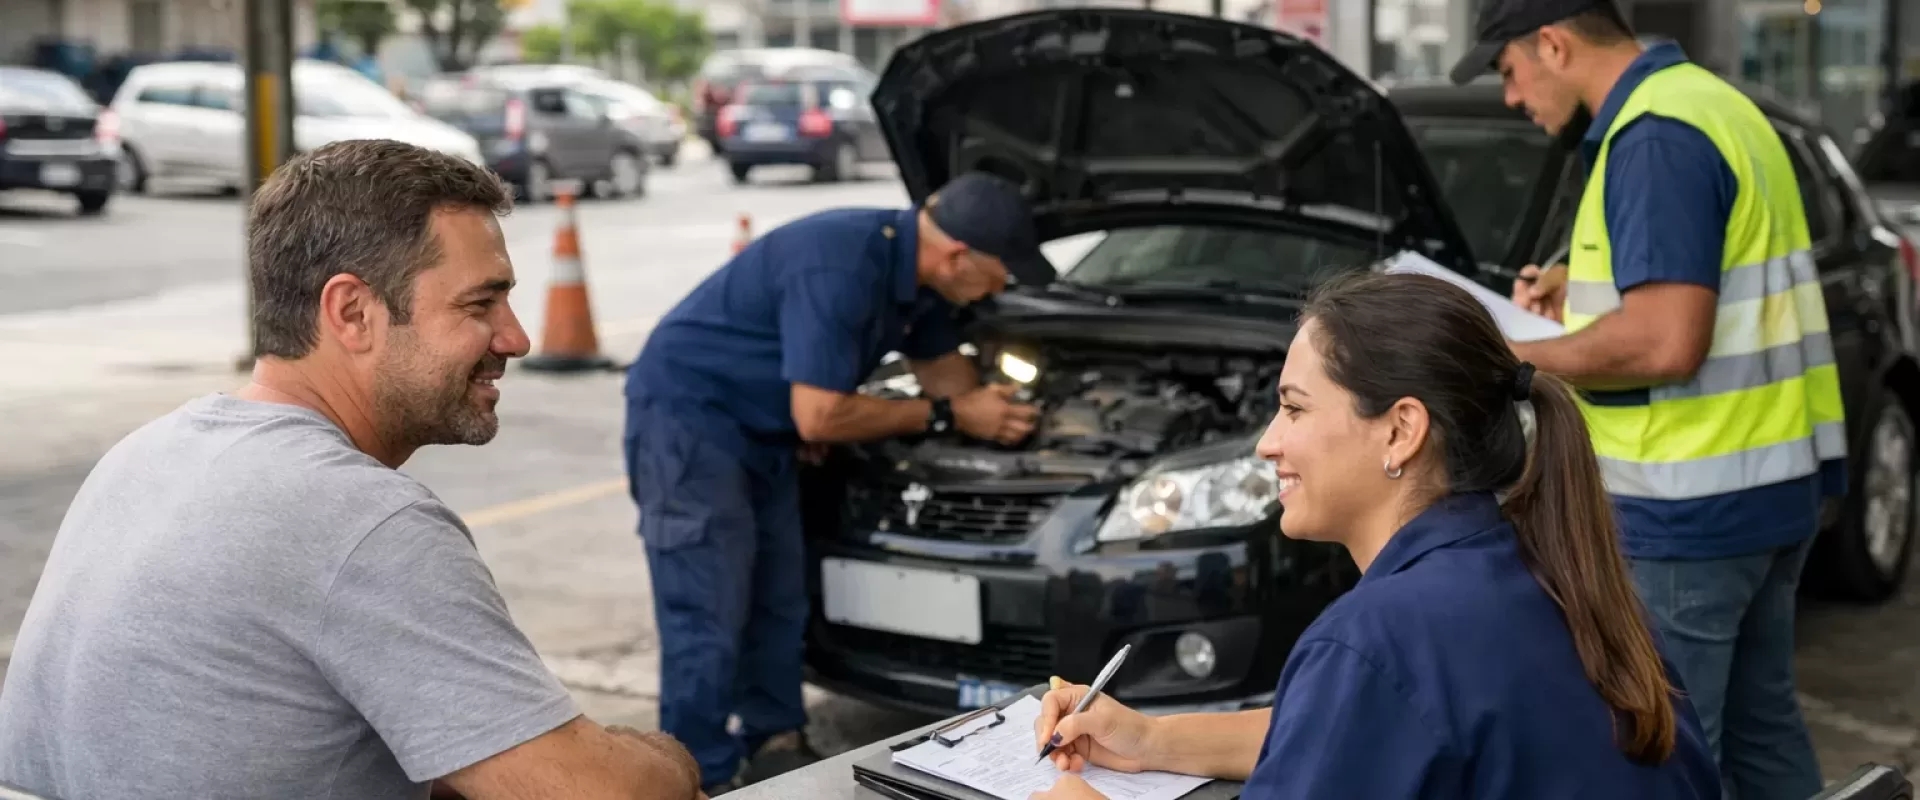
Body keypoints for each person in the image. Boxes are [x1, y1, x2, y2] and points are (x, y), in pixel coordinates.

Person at [0, 139, 706, 800]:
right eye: (480, 303)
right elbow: (597, 792)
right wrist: (668, 760)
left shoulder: (147, 454)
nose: (516, 338)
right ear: (353, 312)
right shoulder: (360, 520)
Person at [1025, 271, 1721, 800]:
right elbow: (1357, 729)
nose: (1267, 442)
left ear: (1401, 430)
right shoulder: (1551, 573)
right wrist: (1150, 738)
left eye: (1294, 408)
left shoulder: (1377, 638)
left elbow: (1371, 707)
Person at [1453, 1, 1845, 796]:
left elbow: (1665, 342)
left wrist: (1507, 354)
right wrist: (1578, 296)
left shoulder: (1653, 137)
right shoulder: (1710, 102)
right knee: (1763, 737)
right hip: (1770, 485)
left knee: (1664, 757)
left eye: (1508, 71)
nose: (1511, 96)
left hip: (1688, 513)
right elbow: (1706, 279)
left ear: (1553, 44)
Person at [623, 170, 1047, 793]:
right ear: (959, 256)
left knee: (779, 595)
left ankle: (774, 741)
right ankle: (698, 775)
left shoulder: (927, 286)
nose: (1003, 288)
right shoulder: (839, 263)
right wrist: (949, 415)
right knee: (706, 610)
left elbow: (947, 376)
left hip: (769, 432)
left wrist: (1010, 418)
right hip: (689, 424)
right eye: (1001, 273)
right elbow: (822, 415)